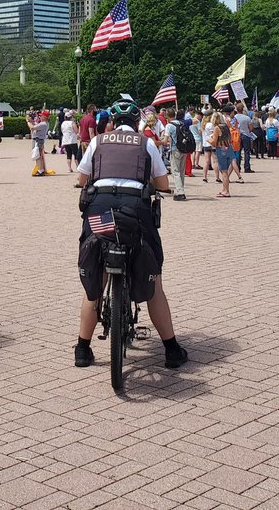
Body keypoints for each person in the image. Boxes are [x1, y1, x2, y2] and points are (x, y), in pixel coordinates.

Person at [74, 100, 186, 370]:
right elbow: (162, 184)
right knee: (154, 280)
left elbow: (81, 180)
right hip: (135, 211)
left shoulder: (98, 141)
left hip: (100, 209)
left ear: (111, 122)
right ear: (137, 122)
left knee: (96, 278)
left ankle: (82, 348)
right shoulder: (145, 142)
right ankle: (171, 349)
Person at [164, 113, 188, 201]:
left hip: (175, 149)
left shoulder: (169, 126)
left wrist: (161, 142)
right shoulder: (181, 123)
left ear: (167, 117)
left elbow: (165, 140)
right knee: (182, 171)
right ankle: (180, 190)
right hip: (184, 148)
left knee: (175, 171)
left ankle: (180, 192)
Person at [29, 110, 50, 176]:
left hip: (38, 140)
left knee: (37, 156)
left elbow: (32, 127)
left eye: (41, 116)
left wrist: (28, 122)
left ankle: (40, 170)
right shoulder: (43, 123)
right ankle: (40, 169)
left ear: (44, 117)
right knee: (38, 156)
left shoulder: (43, 124)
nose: (40, 116)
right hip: (39, 140)